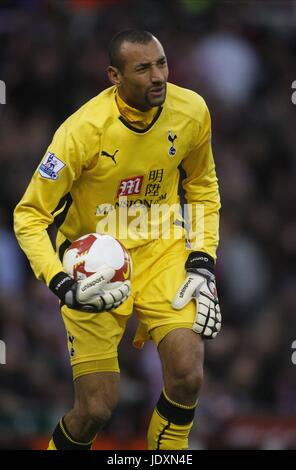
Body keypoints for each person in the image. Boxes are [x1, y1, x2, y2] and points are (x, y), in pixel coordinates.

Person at [14, 29, 221, 450]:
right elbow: (30, 215)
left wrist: (202, 258)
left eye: (161, 63)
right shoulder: (80, 131)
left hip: (164, 251)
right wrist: (61, 282)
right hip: (94, 266)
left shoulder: (192, 110)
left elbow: (202, 185)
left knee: (188, 375)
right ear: (114, 75)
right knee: (95, 410)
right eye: (143, 68)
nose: (158, 76)